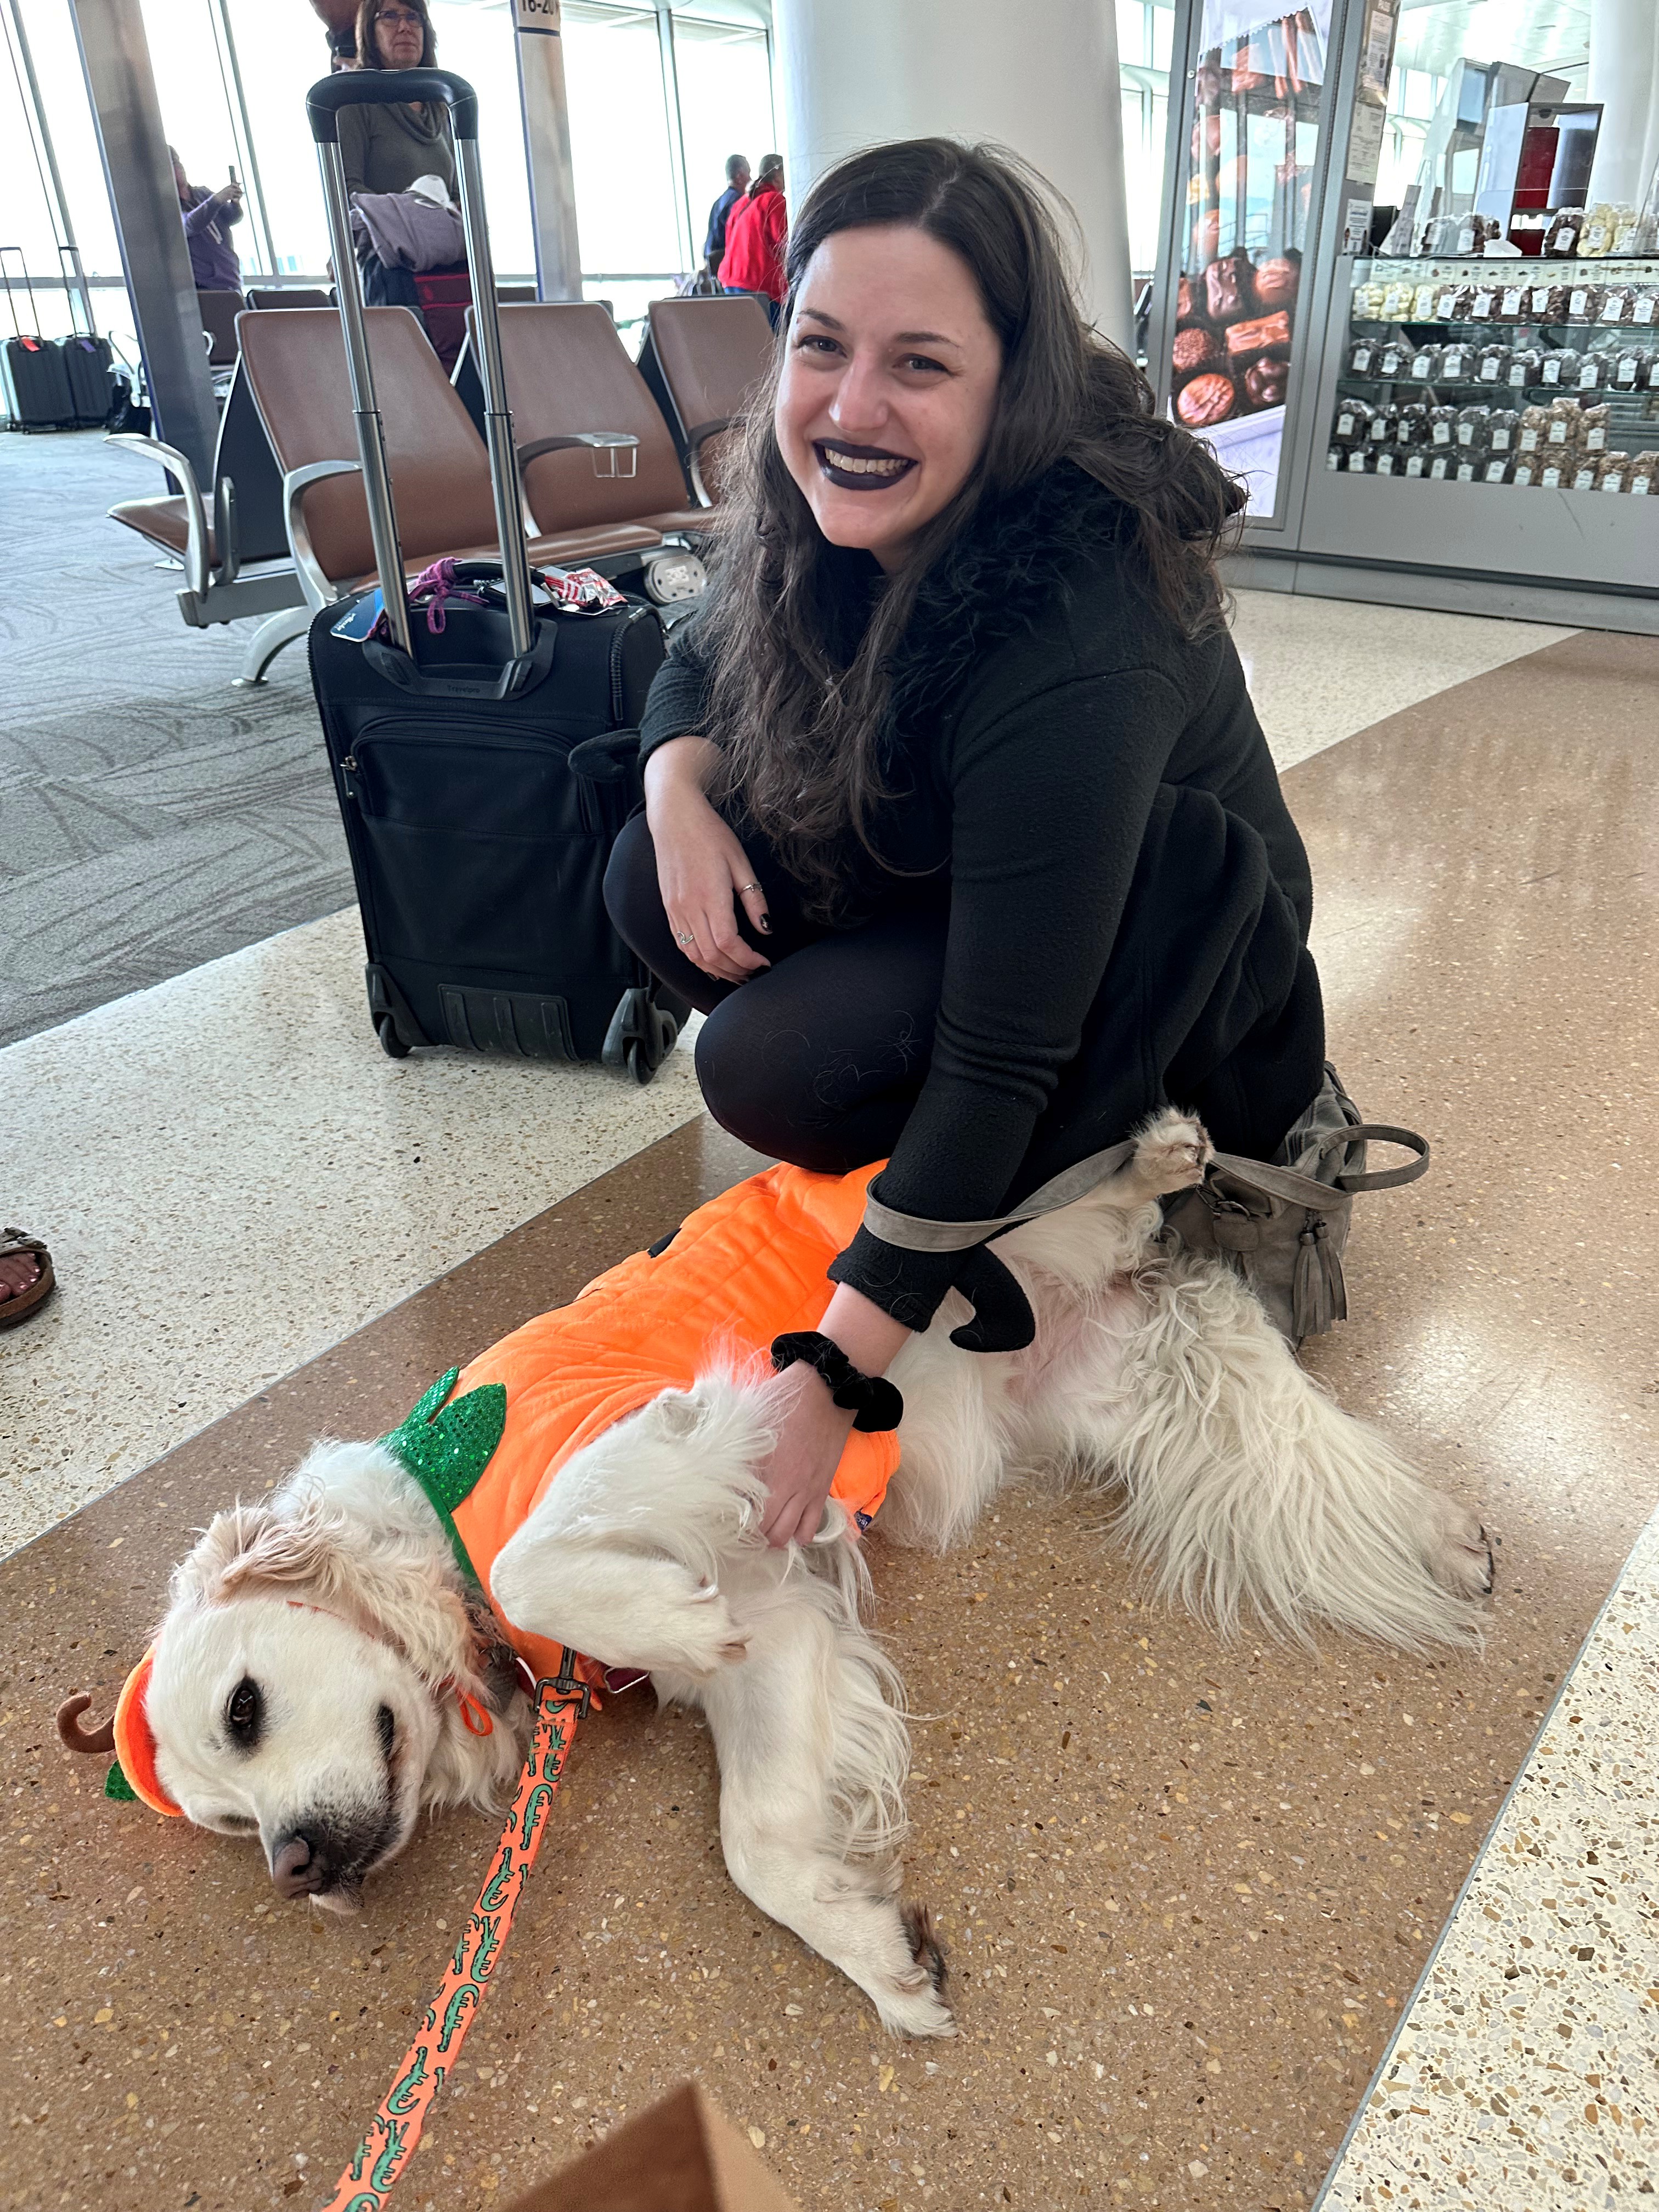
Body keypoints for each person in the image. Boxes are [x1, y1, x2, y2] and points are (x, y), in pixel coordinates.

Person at [604, 140, 1327, 1553]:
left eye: (921, 365)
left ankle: (1002, 1191)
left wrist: (828, 1376)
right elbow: (700, 649)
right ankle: (940, 1186)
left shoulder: (1076, 611)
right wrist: (679, 792)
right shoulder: (815, 496)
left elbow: (1004, 1048)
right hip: (981, 864)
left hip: (1174, 957)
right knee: (649, 873)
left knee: (764, 1065)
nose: (852, 406)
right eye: (821, 346)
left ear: (1012, 393)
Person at [337, 0, 455, 201]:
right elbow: (347, 191)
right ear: (370, 33)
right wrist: (415, 217)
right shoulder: (354, 101)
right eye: (390, 16)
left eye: (413, 17)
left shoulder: (441, 105)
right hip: (381, 232)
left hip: (442, 232)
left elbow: (460, 191)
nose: (404, 27)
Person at [718, 153, 787, 327]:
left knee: (746, 342)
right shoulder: (775, 201)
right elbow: (785, 246)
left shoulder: (741, 203)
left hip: (730, 283)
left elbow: (729, 243)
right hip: (758, 286)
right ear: (779, 175)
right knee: (774, 345)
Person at [171, 149, 242, 292]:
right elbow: (190, 225)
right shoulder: (170, 206)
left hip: (231, 277)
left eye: (179, 162)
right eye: (174, 163)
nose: (180, 167)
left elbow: (231, 217)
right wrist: (219, 198)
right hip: (207, 285)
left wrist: (235, 202)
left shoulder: (202, 193)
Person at [703, 154, 751, 275]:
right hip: (731, 269)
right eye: (749, 174)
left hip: (715, 268)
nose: (751, 179)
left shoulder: (718, 203)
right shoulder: (739, 203)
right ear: (740, 177)